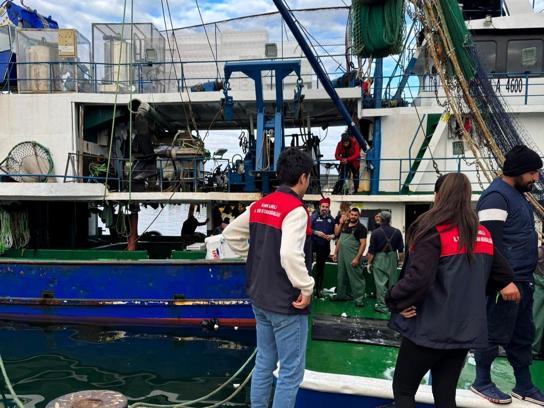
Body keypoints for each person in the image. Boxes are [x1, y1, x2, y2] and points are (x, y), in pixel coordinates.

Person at [385, 173, 518, 408]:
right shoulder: (482, 234)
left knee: (404, 391)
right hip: (463, 333)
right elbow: (503, 275)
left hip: (428, 330)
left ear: (439, 196)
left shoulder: (432, 231)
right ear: (467, 198)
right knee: (445, 396)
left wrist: (395, 301)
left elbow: (418, 280)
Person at [222, 147, 315, 408]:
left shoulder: (260, 204)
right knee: (290, 371)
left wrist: (257, 257)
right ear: (303, 178)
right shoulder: (296, 210)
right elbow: (289, 254)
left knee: (264, 360)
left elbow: (230, 234)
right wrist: (306, 287)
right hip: (285, 303)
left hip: (259, 298)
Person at [471, 145, 544, 404]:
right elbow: (489, 244)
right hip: (506, 284)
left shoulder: (515, 194)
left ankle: (524, 385)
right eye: (533, 172)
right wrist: (504, 281)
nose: (536, 178)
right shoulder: (495, 197)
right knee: (493, 333)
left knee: (523, 336)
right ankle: (481, 382)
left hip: (523, 281)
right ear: (518, 171)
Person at [367, 210, 404, 314]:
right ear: (390, 220)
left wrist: (369, 263)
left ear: (381, 219)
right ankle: (392, 305)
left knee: (380, 284)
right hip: (392, 258)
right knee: (392, 283)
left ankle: (382, 306)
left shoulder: (375, 233)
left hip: (379, 258)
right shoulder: (397, 232)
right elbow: (401, 251)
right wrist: (401, 262)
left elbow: (371, 251)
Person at [332, 207, 367, 306]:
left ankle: (359, 300)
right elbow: (338, 237)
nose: (353, 216)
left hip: (352, 255)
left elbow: (363, 244)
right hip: (341, 255)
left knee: (356, 277)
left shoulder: (361, 228)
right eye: (352, 214)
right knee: (341, 275)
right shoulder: (345, 225)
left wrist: (357, 258)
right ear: (349, 215)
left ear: (358, 216)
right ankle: (341, 296)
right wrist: (335, 253)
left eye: (355, 215)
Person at [310, 197, 335, 298]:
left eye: (327, 207)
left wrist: (331, 236)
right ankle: (309, 290)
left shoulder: (331, 219)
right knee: (309, 269)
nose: (324, 208)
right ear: (319, 207)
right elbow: (307, 229)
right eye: (323, 206)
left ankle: (318, 290)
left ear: (329, 208)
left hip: (324, 248)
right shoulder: (313, 217)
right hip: (312, 247)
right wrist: (316, 232)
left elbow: (335, 234)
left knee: (321, 270)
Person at [533, 244, 544, 358]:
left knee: (537, 319)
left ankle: (534, 349)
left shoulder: (539, 251)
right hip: (539, 286)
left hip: (539, 285)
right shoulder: (539, 252)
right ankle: (534, 349)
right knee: (537, 320)